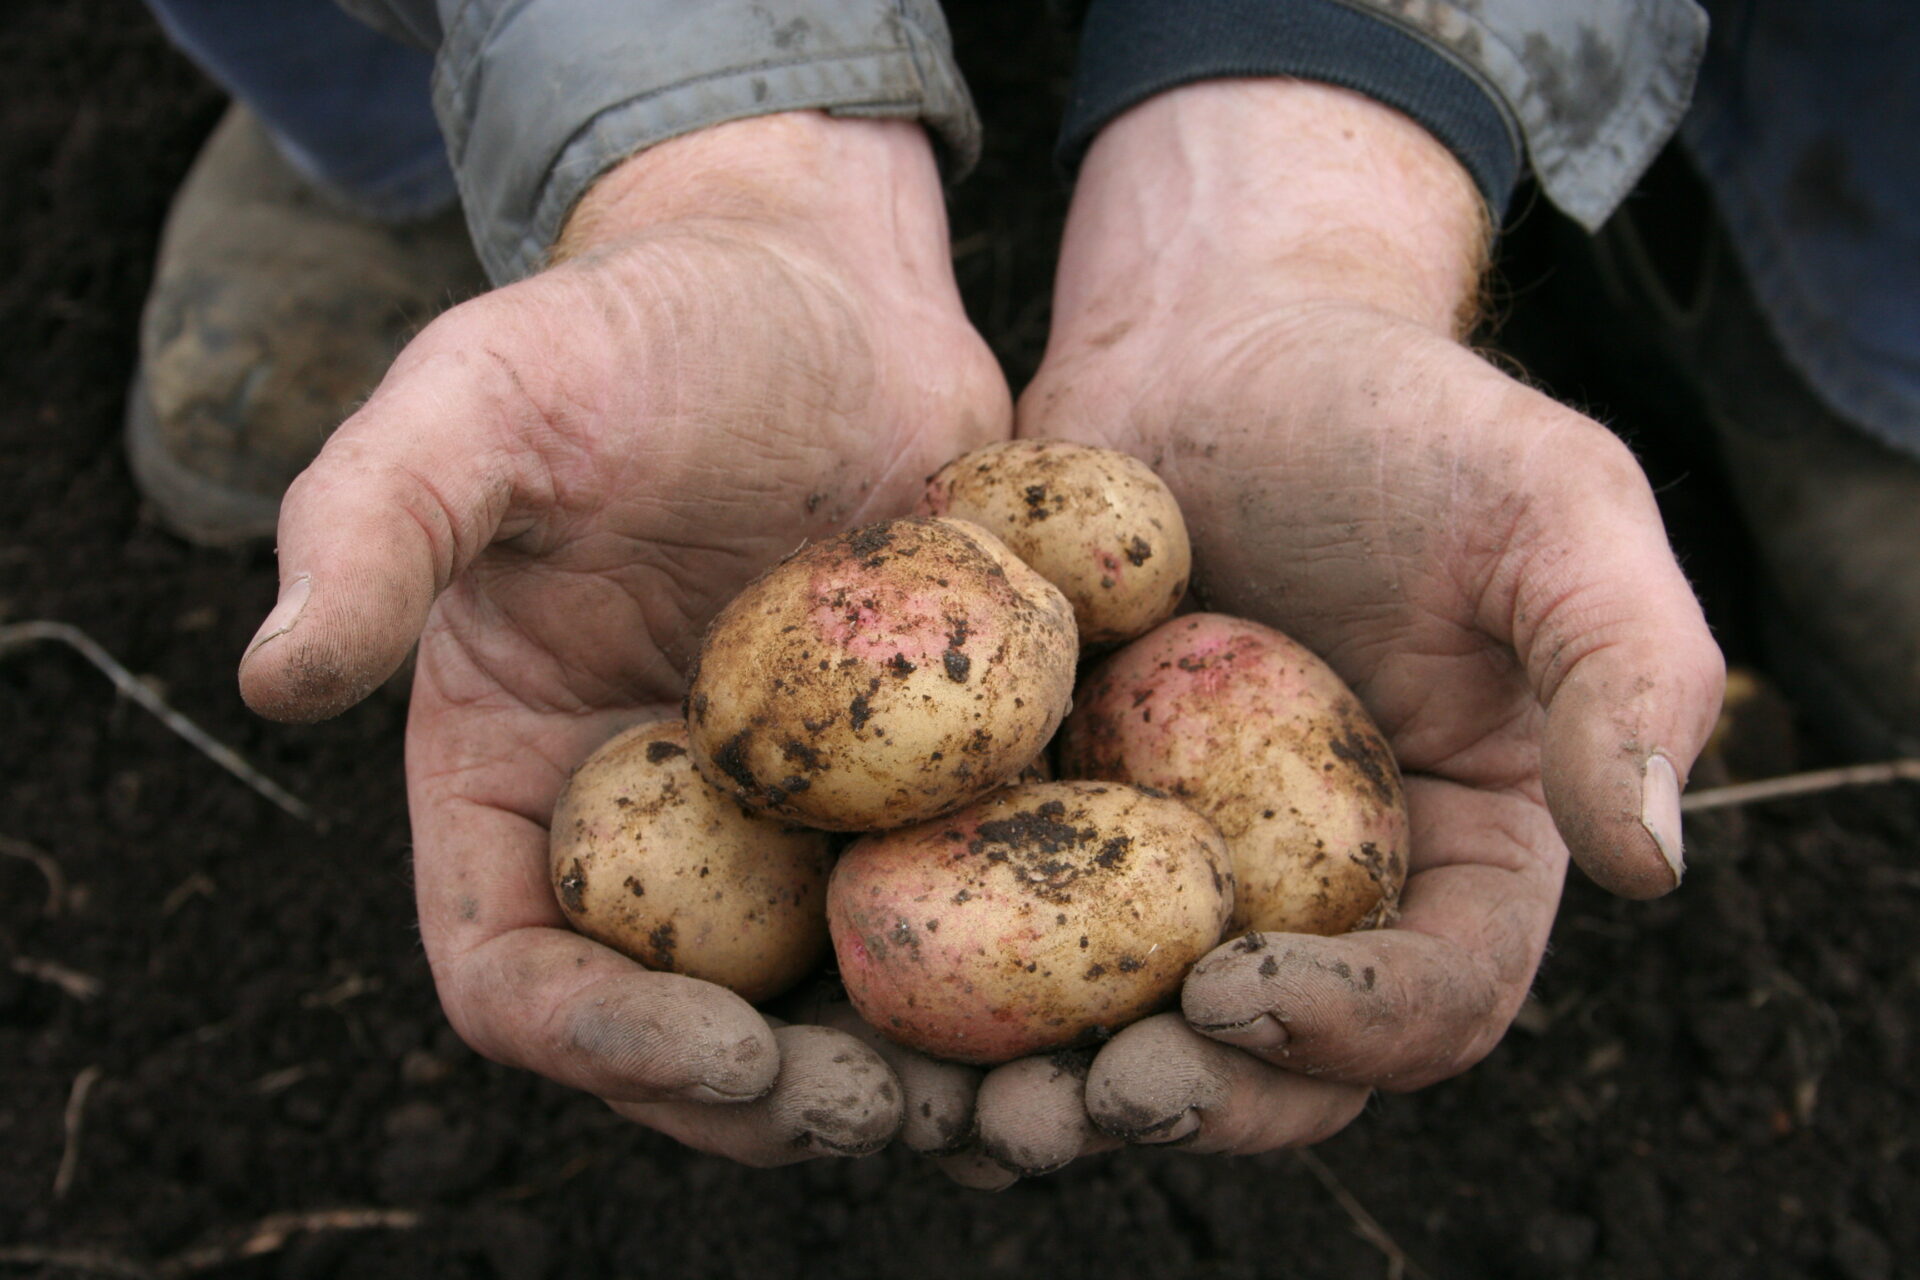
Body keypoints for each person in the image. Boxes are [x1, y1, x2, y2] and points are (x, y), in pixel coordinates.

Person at [139, 0, 1909, 1184]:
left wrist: (1319, 202)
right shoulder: (954, 658)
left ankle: (1858, 301)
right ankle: (411, 130)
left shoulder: (1073, 608)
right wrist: (720, 173)